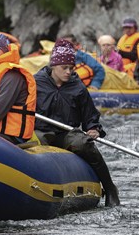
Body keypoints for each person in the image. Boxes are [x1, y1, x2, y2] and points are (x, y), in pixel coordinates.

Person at [34, 39, 120, 207]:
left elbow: (89, 115)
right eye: (64, 68)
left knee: (84, 144)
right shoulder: (36, 82)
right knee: (36, 142)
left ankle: (110, 188)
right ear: (53, 66)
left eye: (71, 68)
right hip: (41, 130)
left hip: (66, 133)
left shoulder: (78, 87)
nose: (68, 72)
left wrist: (94, 128)